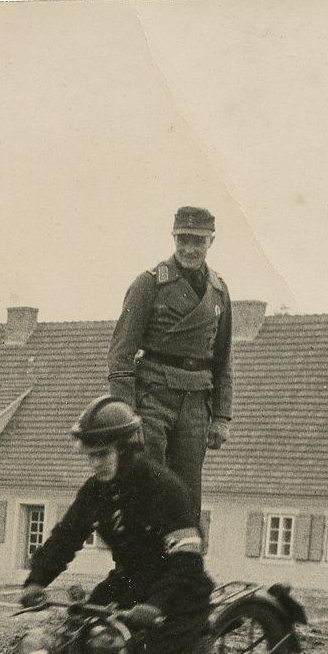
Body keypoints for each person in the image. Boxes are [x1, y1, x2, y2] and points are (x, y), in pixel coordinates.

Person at [18, 396, 216, 654]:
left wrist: (155, 605)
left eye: (102, 454)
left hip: (178, 590)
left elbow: (187, 559)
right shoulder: (96, 490)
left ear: (126, 449)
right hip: (129, 581)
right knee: (79, 642)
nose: (94, 463)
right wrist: (37, 580)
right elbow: (67, 535)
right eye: (89, 455)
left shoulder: (165, 489)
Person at [106, 205, 235, 515]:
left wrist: (221, 417)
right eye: (183, 239)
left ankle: (181, 561)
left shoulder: (218, 291)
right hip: (153, 398)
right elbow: (120, 353)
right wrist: (125, 414)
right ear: (174, 238)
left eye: (198, 241)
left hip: (195, 403)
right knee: (144, 485)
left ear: (211, 242)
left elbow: (223, 360)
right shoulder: (149, 284)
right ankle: (134, 562)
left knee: (187, 493)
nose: (189, 249)